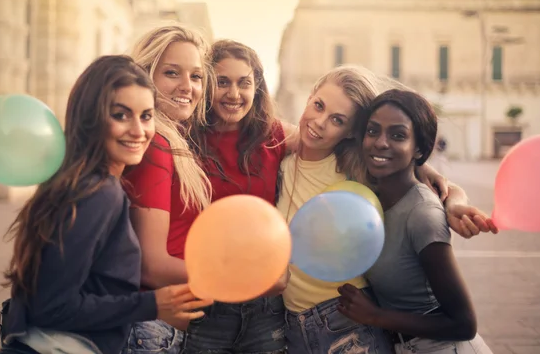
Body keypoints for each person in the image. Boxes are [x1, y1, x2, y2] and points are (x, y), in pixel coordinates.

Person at [0, 55, 211, 354]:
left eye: (146, 116)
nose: (138, 130)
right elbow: (52, 306)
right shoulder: (99, 193)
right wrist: (153, 304)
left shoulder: (74, 181)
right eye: (121, 115)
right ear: (91, 118)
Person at [277, 65, 497, 354]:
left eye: (337, 119)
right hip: (291, 325)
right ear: (309, 97)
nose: (320, 122)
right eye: (318, 105)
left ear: (350, 132)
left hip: (346, 321)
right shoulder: (280, 159)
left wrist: (452, 197)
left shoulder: (355, 171)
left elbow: (422, 186)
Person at [338, 89, 493, 353]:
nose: (380, 143)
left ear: (419, 148)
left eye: (398, 135)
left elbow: (464, 323)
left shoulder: (423, 213)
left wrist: (375, 316)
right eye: (373, 131)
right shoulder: (372, 197)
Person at [183, 39, 294, 353]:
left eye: (244, 83)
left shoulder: (273, 135)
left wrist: (430, 174)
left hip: (265, 307)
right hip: (207, 305)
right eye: (222, 82)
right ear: (206, 86)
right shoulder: (187, 137)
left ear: (256, 88)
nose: (234, 94)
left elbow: (339, 140)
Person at [123, 24, 214, 353]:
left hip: (159, 331)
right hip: (149, 332)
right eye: (172, 73)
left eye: (196, 76)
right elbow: (151, 263)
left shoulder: (172, 141)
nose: (187, 87)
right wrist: (229, 277)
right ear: (146, 75)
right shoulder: (157, 146)